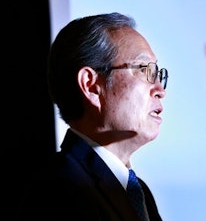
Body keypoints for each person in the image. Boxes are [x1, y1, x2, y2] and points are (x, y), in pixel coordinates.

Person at [17, 12, 168, 221]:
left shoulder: (139, 193)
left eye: (158, 73)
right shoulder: (62, 187)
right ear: (91, 86)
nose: (160, 89)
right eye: (144, 69)